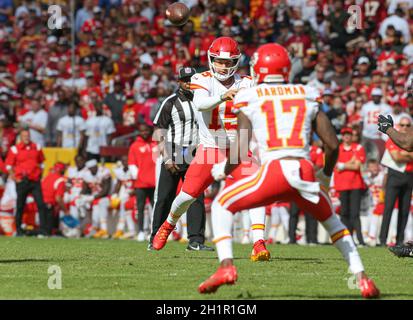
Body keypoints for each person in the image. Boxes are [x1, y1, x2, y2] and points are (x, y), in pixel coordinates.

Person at [198, 43, 379, 298]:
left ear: (258, 69)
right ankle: (363, 279)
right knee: (334, 225)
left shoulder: (250, 96)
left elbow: (239, 149)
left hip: (275, 171)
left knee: (220, 206)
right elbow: (332, 144)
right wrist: (325, 176)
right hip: (304, 170)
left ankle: (226, 267)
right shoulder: (307, 92)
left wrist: (221, 170)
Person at [152, 37, 269, 262]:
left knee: (256, 193)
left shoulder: (247, 82)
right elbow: (200, 104)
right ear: (211, 60)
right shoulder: (201, 78)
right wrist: (224, 96)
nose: (223, 67)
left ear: (236, 62)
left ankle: (258, 242)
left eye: (228, 63)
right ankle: (168, 225)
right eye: (219, 62)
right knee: (186, 196)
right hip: (211, 147)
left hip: (239, 148)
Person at [150, 67, 213, 251]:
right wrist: (167, 158)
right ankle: (154, 237)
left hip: (196, 152)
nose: (188, 83)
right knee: (164, 196)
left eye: (191, 79)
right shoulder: (170, 102)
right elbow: (159, 131)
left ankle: (195, 241)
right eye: (185, 80)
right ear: (179, 81)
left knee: (196, 197)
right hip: (174, 150)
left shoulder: (203, 100)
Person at [5, 129, 48, 236]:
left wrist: (39, 175)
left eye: (28, 136)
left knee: (41, 204)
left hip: (34, 180)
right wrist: (16, 178)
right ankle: (18, 229)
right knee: (20, 205)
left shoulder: (36, 147)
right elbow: (9, 166)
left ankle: (43, 230)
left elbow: (42, 163)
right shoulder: (15, 149)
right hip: (22, 181)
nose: (26, 138)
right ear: (20, 137)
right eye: (24, 136)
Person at [379, 116, 413, 246]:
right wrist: (408, 155)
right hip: (394, 175)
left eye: (407, 125)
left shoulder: (399, 138)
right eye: (402, 125)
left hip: (409, 176)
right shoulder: (393, 137)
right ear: (399, 125)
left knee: (404, 210)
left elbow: (403, 152)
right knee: (388, 208)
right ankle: (382, 239)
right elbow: (396, 157)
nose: (404, 127)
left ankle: (399, 240)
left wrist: (404, 154)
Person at [334, 127, 367, 246]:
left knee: (355, 214)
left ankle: (360, 240)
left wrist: (343, 165)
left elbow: (357, 166)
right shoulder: (337, 149)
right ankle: (347, 239)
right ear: (342, 137)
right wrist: (350, 163)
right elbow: (336, 166)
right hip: (342, 185)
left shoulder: (358, 148)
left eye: (349, 134)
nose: (347, 136)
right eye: (345, 134)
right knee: (344, 214)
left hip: (355, 184)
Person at [128, 122, 157, 241]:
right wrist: (139, 177)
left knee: (155, 207)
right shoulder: (134, 146)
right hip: (141, 183)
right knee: (140, 208)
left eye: (146, 130)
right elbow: (131, 164)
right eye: (142, 131)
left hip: (155, 182)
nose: (144, 132)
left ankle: (155, 231)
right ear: (139, 132)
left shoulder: (155, 143)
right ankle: (140, 231)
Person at [82, 159, 112, 238]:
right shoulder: (87, 175)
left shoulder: (104, 172)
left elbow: (106, 191)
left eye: (93, 168)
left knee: (101, 202)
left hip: (106, 197)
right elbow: (84, 190)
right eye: (90, 168)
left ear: (96, 166)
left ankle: (104, 230)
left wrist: (92, 197)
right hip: (94, 199)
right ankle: (94, 229)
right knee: (92, 209)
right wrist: (82, 197)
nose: (92, 170)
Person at [111, 156, 136, 240]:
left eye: (126, 160)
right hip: (125, 194)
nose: (125, 162)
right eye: (123, 161)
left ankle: (121, 229)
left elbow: (138, 184)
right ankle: (123, 229)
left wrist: (133, 192)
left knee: (124, 205)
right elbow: (118, 183)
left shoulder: (134, 170)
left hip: (134, 194)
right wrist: (114, 194)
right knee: (118, 206)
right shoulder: (120, 171)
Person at [41, 162, 68, 235]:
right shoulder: (60, 180)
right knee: (48, 231)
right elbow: (58, 198)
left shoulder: (46, 177)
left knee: (43, 229)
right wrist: (65, 210)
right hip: (50, 206)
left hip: (40, 204)